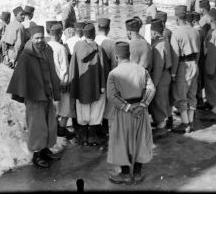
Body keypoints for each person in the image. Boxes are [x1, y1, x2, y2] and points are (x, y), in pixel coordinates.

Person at [6, 25, 62, 168]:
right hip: (34, 96)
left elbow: (51, 70)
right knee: (37, 127)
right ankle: (37, 155)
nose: (40, 40)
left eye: (42, 37)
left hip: (46, 93)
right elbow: (20, 76)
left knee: (49, 124)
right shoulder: (26, 55)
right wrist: (24, 94)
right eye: (36, 38)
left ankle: (45, 150)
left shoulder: (47, 50)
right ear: (31, 38)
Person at [106, 41, 155, 185]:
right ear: (129, 55)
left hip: (123, 112)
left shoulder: (113, 73)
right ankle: (138, 174)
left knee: (122, 141)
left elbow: (111, 96)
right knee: (140, 140)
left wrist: (127, 107)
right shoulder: (141, 69)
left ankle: (126, 175)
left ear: (116, 57)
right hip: (140, 111)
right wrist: (143, 104)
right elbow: (151, 89)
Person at [69, 23, 109, 146]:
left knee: (82, 111)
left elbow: (72, 68)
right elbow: (104, 70)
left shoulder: (77, 48)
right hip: (96, 86)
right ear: (94, 34)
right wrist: (103, 86)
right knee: (96, 110)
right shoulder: (99, 49)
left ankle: (82, 137)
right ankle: (92, 137)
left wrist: (73, 85)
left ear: (84, 34)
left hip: (81, 87)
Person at [169, 5, 201, 132]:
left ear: (177, 19)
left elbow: (175, 55)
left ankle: (185, 123)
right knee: (192, 94)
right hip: (194, 63)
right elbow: (199, 50)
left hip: (183, 65)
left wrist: (173, 73)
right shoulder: (195, 31)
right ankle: (191, 121)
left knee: (181, 95)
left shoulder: (176, 33)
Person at [46, 23, 75, 139]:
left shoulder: (46, 46)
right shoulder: (61, 48)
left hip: (48, 81)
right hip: (60, 82)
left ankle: (52, 126)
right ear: (59, 34)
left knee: (53, 106)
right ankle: (61, 129)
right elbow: (65, 68)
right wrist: (66, 82)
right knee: (65, 106)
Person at [149, 19, 172, 138]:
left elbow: (158, 67)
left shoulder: (158, 45)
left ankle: (161, 126)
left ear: (153, 32)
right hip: (166, 75)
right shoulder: (164, 41)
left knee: (159, 101)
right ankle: (164, 121)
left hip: (160, 76)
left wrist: (154, 84)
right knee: (164, 100)